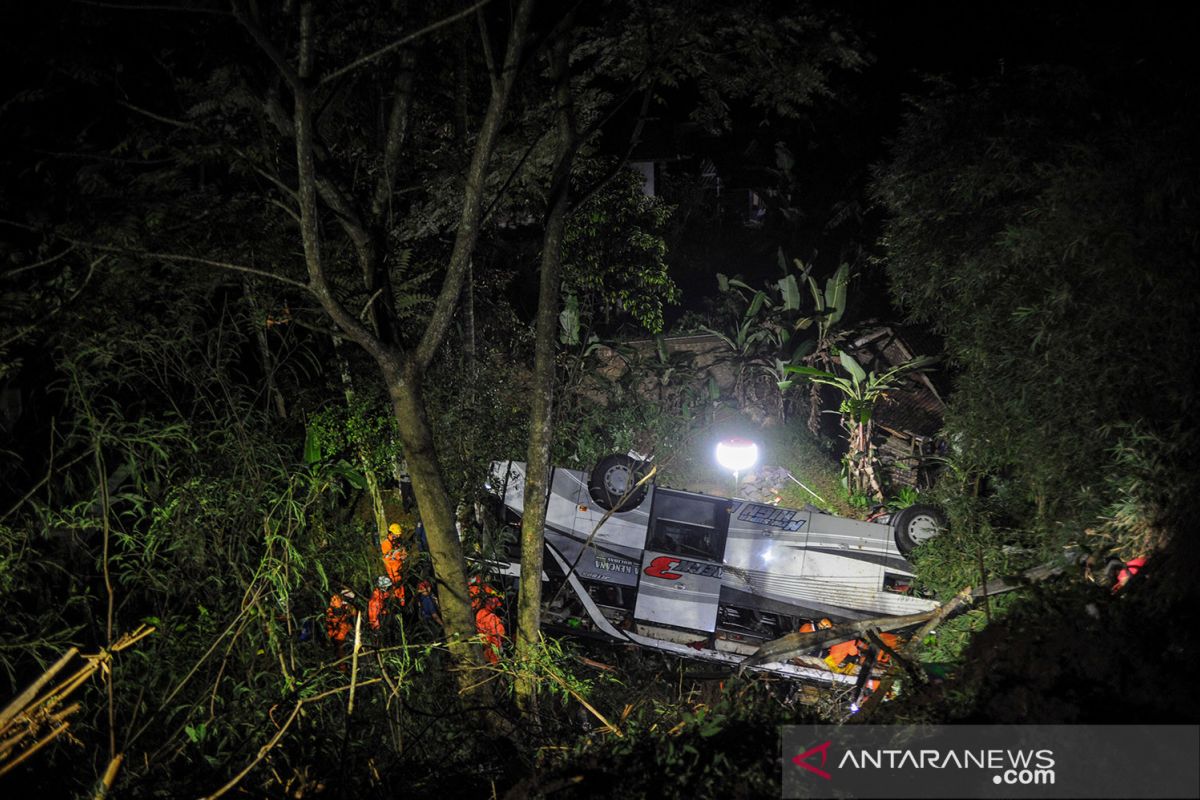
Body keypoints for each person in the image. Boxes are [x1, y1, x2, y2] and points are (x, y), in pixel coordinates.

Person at [325, 587, 358, 662]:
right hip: (338, 633)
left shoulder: (346, 607)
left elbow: (353, 613)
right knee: (340, 650)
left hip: (343, 632)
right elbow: (331, 620)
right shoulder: (336, 605)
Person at [475, 594, 506, 664]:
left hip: (482, 646)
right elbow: (501, 633)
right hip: (493, 647)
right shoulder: (492, 617)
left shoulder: (479, 613)